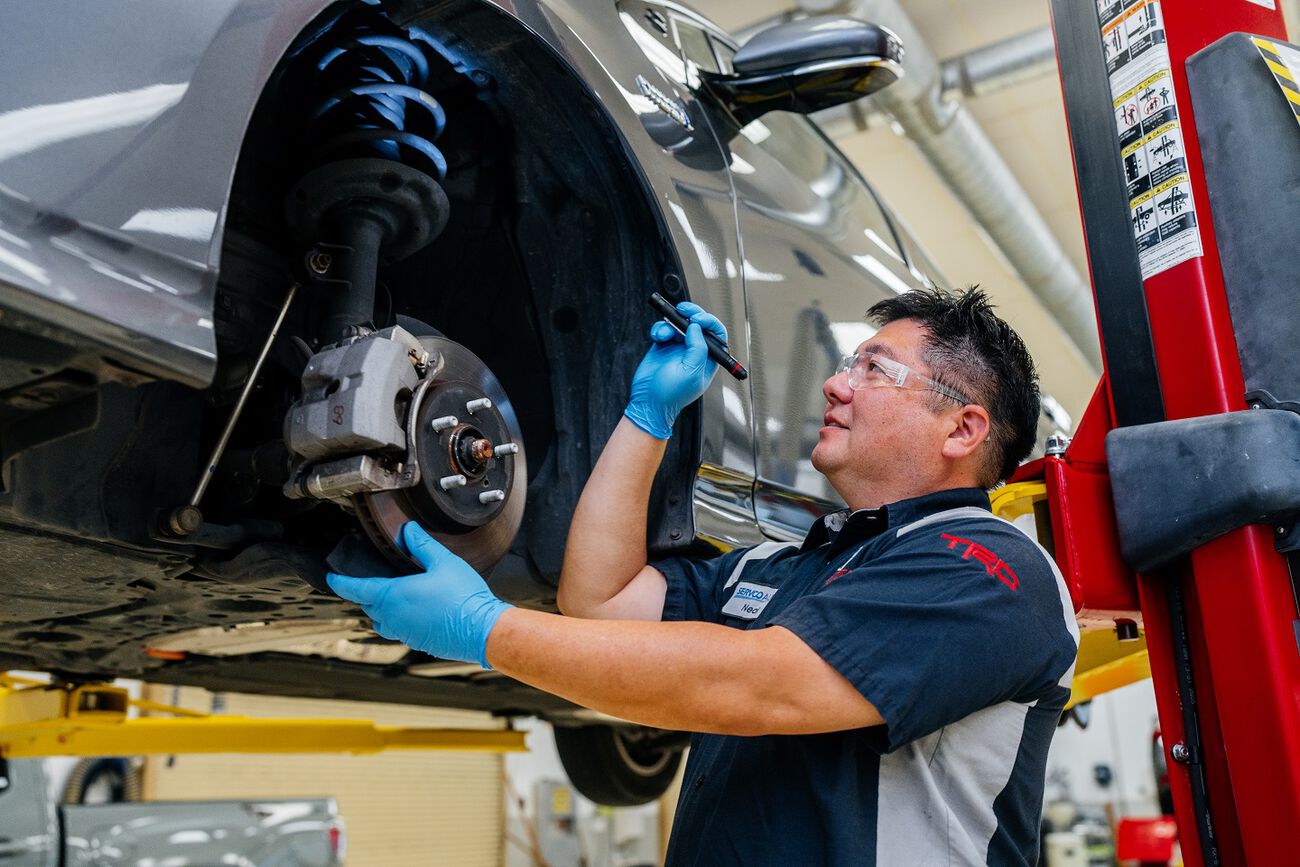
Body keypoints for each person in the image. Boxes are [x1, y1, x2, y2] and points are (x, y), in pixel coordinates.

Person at [328, 287, 1079, 866]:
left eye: (874, 369)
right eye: (847, 362)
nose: (835, 384)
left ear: (962, 428)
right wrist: (649, 416)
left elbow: (761, 685)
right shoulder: (785, 566)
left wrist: (485, 629)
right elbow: (600, 600)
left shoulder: (992, 568)